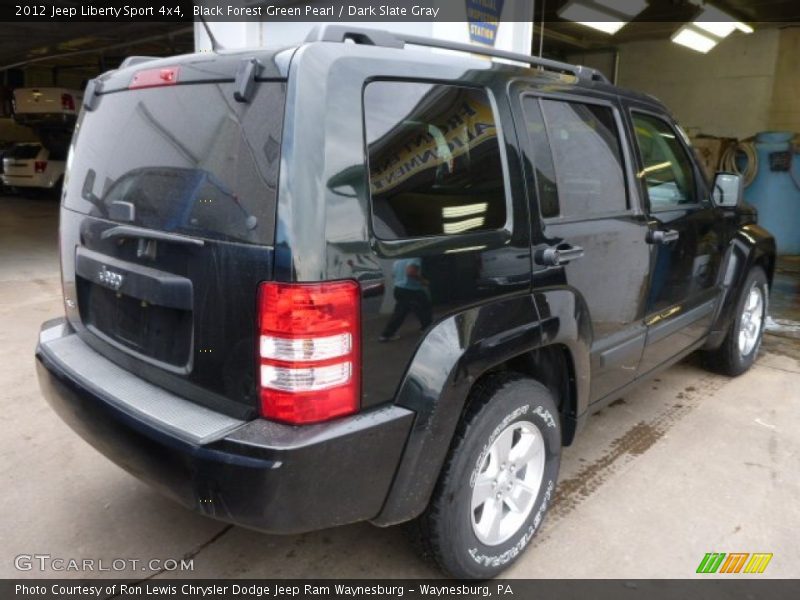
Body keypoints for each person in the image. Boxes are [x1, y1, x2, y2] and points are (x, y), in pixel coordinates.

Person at [379, 257, 432, 341]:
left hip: (399, 288)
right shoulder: (415, 258)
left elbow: (393, 274)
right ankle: (386, 335)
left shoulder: (398, 260)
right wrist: (423, 281)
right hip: (411, 289)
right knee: (423, 308)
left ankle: (426, 327)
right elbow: (411, 272)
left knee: (414, 309)